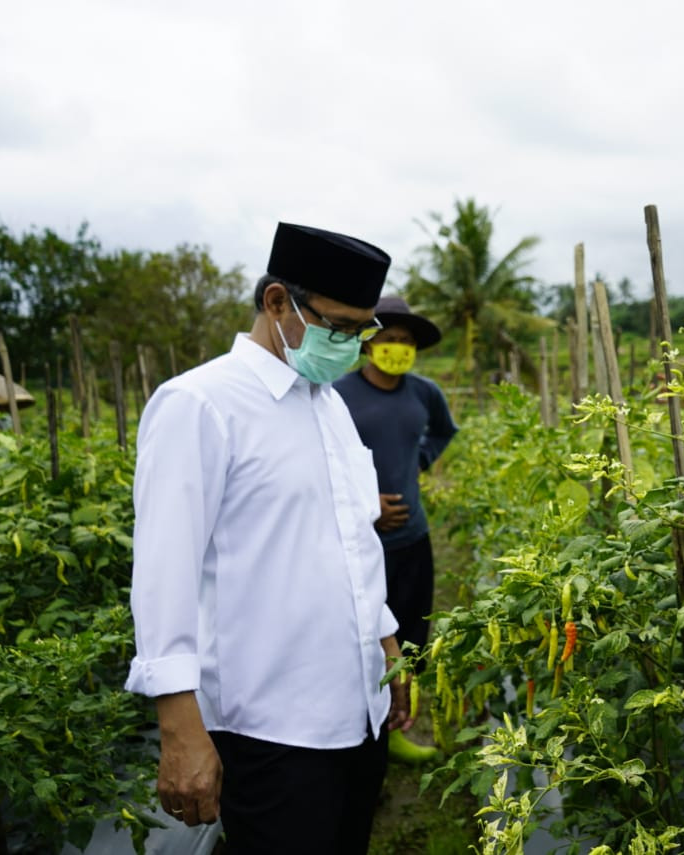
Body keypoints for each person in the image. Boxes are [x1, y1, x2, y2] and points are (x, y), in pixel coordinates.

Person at [125, 222, 413, 854]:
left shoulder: (328, 404)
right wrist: (179, 730)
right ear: (278, 302)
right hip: (271, 726)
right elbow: (163, 573)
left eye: (358, 330)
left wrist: (388, 644)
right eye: (337, 326)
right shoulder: (200, 405)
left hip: (356, 713)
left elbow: (351, 543)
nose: (350, 344)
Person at [334, 295, 456, 652]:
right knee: (365, 633)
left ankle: (408, 701)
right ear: (368, 343)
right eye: (389, 340)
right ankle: (375, 703)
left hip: (414, 536)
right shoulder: (338, 394)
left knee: (414, 628)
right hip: (359, 539)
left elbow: (443, 430)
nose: (398, 348)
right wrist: (366, 506)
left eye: (406, 342)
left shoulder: (424, 392)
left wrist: (419, 459)